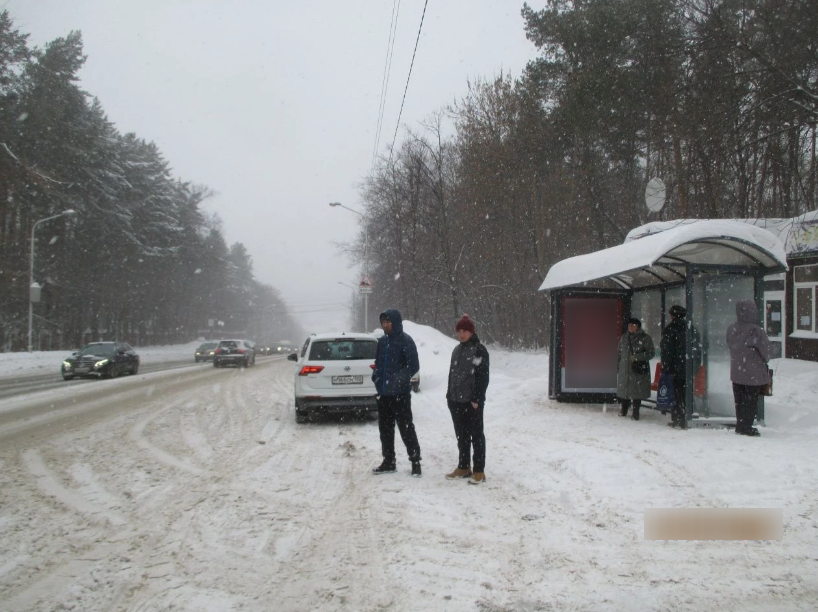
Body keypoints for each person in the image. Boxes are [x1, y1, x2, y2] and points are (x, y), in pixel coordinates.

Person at [371, 308, 422, 476]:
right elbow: (378, 364)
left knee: (406, 428)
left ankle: (415, 461)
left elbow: (413, 366)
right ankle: (389, 461)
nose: (385, 325)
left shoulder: (405, 341)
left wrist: (399, 380)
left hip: (400, 394)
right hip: (384, 394)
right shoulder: (382, 342)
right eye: (383, 322)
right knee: (385, 429)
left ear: (395, 322)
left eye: (388, 322)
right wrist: (377, 378)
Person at [445, 314, 490, 485]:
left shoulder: (479, 350)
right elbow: (452, 374)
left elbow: (483, 377)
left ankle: (479, 471)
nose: (461, 334)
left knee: (476, 436)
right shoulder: (456, 350)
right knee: (461, 436)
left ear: (472, 332)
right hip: (456, 401)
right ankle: (464, 466)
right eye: (459, 331)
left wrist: (477, 399)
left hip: (472, 402)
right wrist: (449, 396)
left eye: (465, 331)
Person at [726, 300, 771, 437]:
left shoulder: (731, 329)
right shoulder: (756, 331)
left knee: (739, 400)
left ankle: (740, 425)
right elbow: (767, 352)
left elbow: (731, 346)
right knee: (750, 401)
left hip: (737, 372)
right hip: (753, 373)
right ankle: (747, 426)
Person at [660, 304, 701, 429]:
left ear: (672, 315)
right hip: (687, 367)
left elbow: (667, 351)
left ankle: (678, 417)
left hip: (674, 368)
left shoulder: (670, 329)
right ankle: (687, 415)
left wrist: (666, 367)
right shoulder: (691, 329)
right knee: (686, 392)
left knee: (676, 394)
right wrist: (695, 366)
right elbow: (697, 349)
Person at [616, 317, 655, 420]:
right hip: (625, 369)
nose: (630, 327)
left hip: (637, 370)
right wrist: (617, 366)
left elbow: (651, 353)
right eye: (629, 325)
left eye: (633, 325)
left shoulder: (645, 338)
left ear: (638, 327)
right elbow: (618, 353)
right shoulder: (624, 338)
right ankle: (624, 409)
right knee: (625, 391)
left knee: (637, 392)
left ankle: (635, 412)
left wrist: (637, 357)